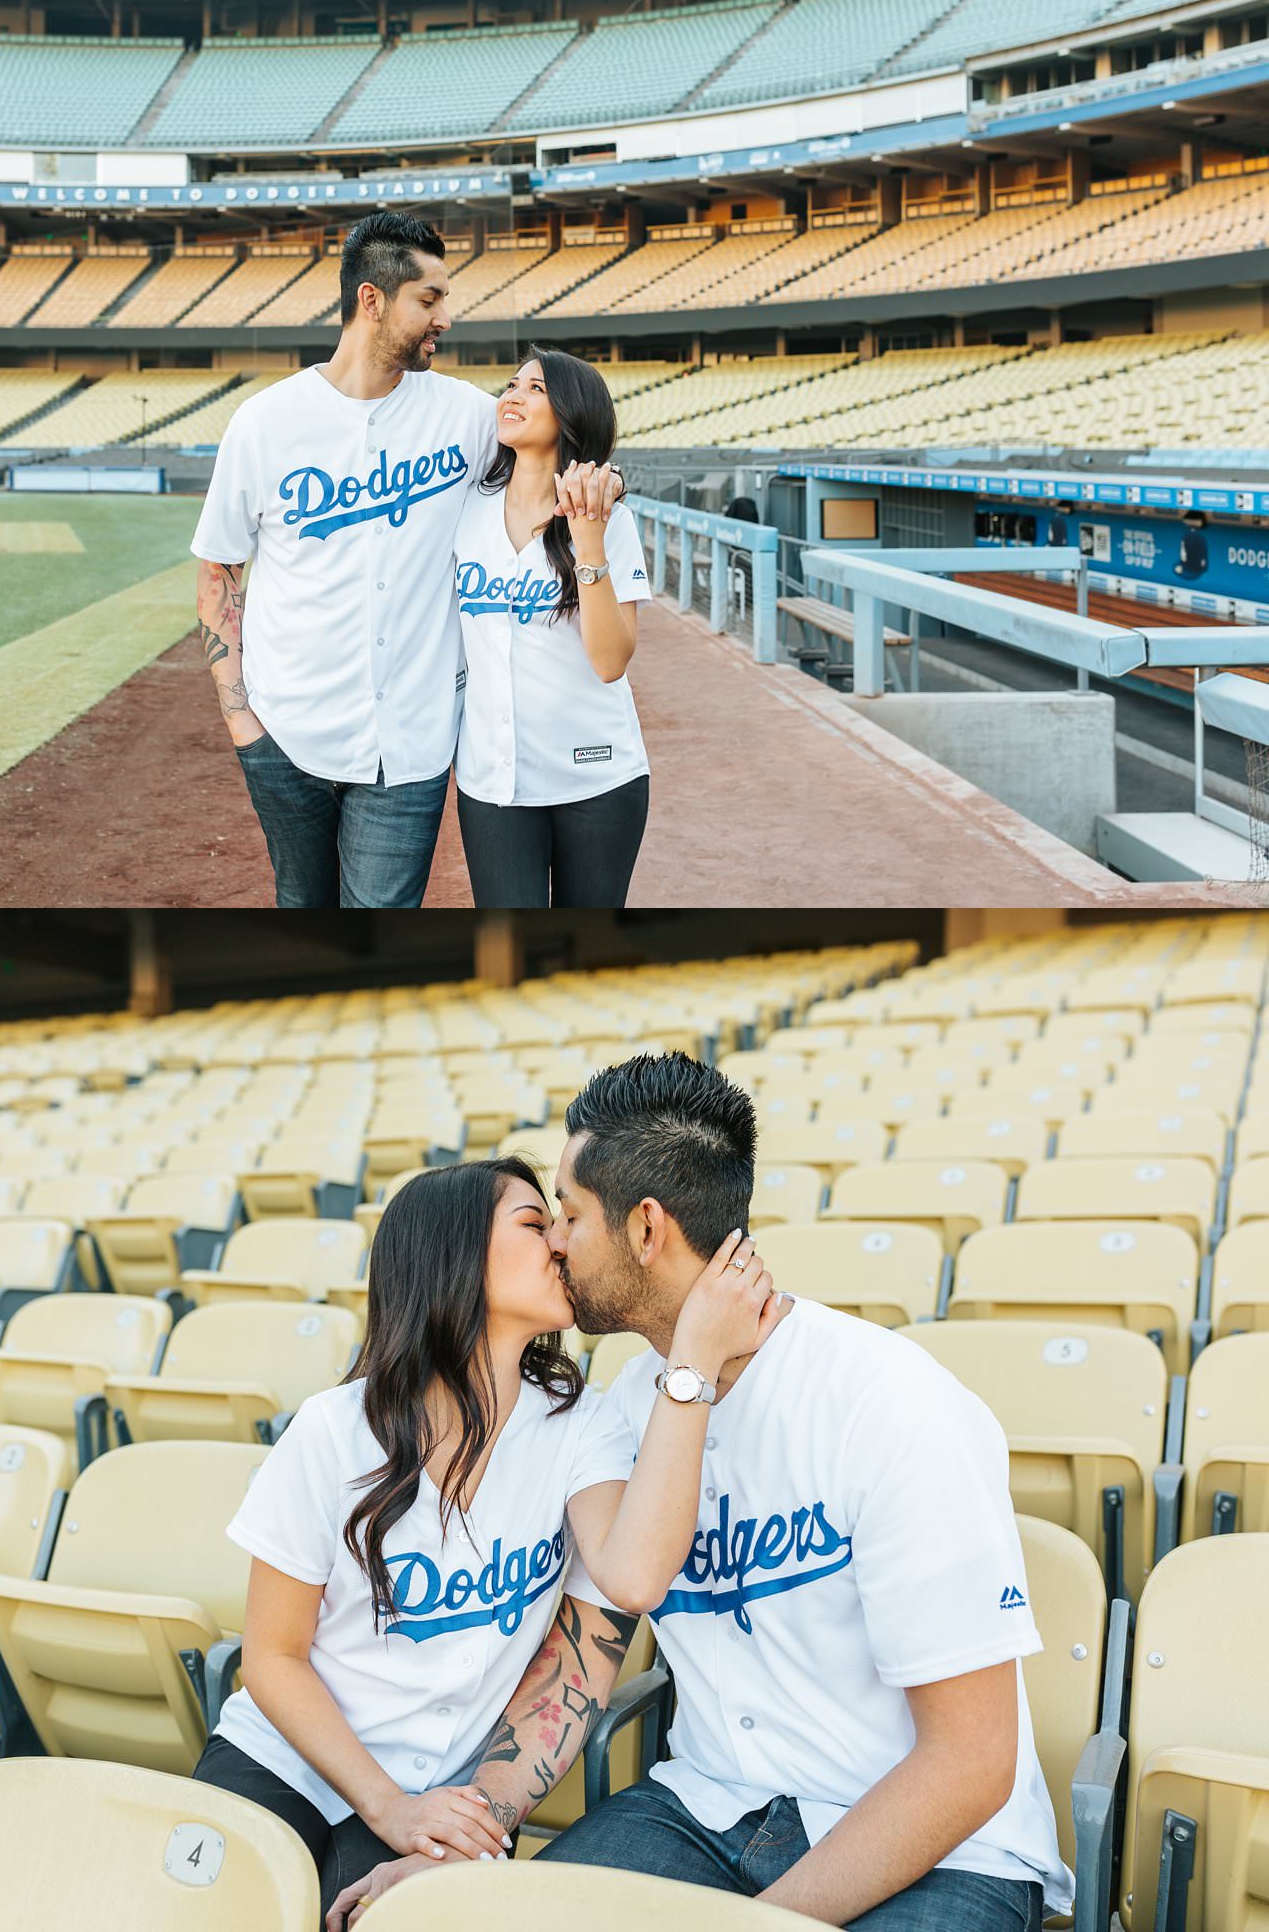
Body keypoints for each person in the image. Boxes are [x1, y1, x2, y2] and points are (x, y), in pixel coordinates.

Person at [332, 1054, 1073, 1932]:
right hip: (708, 1811)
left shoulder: (894, 1405)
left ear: (645, 1228)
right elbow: (580, 1658)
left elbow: (972, 1764)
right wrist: (454, 1846)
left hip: (940, 1849)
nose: (555, 1241)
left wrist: (763, 1923)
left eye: (568, 1214)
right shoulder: (622, 1411)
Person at [194, 1154, 780, 1919]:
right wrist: (385, 1807)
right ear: (453, 1258)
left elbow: (633, 1579)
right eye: (536, 1224)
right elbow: (271, 1658)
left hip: (448, 1793)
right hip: (290, 1762)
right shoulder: (333, 1432)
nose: (562, 1245)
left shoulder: (582, 1424)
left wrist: (693, 1358)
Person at [190, 212, 623, 908]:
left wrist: (601, 481)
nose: (444, 318)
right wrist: (243, 722)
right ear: (373, 300)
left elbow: (557, 441)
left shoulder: (468, 415)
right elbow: (218, 574)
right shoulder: (265, 423)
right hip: (287, 733)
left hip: (412, 745)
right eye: (430, 299)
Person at [453, 350, 651, 908]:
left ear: (571, 413)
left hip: (598, 775)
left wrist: (587, 536)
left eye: (534, 389)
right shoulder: (465, 509)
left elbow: (611, 661)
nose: (511, 396)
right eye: (510, 385)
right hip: (493, 777)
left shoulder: (610, 519)